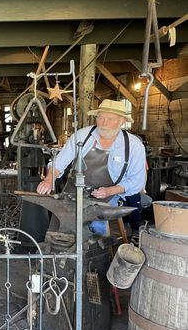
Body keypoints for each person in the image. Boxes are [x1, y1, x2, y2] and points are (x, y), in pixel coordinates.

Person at [36, 99, 147, 235]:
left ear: (122, 121)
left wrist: (110, 191)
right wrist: (48, 180)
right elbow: (60, 162)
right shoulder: (82, 136)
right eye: (100, 118)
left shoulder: (134, 146)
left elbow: (136, 180)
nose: (104, 123)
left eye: (110, 119)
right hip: (73, 192)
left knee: (95, 230)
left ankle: (93, 254)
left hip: (107, 196)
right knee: (60, 229)